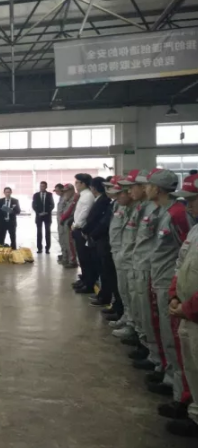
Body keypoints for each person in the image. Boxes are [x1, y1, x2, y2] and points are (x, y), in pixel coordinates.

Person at [147, 169, 192, 401]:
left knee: (174, 337)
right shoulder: (162, 211)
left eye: (149, 185)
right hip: (160, 278)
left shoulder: (177, 214)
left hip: (169, 282)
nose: (146, 189)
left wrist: (176, 287)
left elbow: (184, 253)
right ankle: (169, 376)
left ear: (158, 189)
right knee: (165, 333)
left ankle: (180, 392)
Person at [118, 170, 164, 375]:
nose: (130, 191)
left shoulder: (160, 211)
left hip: (150, 270)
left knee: (151, 316)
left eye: (134, 186)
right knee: (139, 309)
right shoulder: (140, 208)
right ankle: (147, 348)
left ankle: (158, 360)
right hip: (134, 264)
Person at [167, 173, 198, 437]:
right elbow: (181, 262)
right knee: (192, 367)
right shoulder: (196, 230)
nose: (188, 207)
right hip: (186, 311)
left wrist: (188, 308)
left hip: (193, 312)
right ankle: (195, 414)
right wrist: (174, 295)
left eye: (193, 200)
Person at [106, 180, 137, 333]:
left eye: (120, 193)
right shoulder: (123, 207)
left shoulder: (137, 209)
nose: (117, 197)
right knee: (123, 290)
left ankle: (132, 324)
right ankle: (127, 317)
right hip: (119, 252)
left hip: (130, 257)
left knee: (131, 292)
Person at [82, 177, 112, 303]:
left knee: (105, 270)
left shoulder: (104, 201)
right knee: (101, 268)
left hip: (102, 239)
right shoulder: (101, 200)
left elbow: (100, 222)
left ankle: (105, 297)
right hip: (97, 238)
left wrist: (89, 232)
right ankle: (103, 295)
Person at [71, 174, 96, 294]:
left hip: (81, 229)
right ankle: (84, 279)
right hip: (78, 227)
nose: (75, 184)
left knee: (85, 258)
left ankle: (88, 283)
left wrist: (76, 225)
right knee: (81, 257)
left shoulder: (88, 196)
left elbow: (84, 213)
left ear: (84, 184)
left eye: (77, 182)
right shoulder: (83, 195)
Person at [32, 181, 55, 254]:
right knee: (39, 232)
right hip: (39, 216)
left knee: (47, 232)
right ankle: (39, 248)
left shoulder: (49, 194)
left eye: (43, 186)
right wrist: (39, 213)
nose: (41, 187)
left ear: (46, 187)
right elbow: (33, 205)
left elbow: (52, 205)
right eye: (40, 186)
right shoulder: (36, 195)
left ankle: (47, 248)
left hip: (47, 216)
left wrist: (47, 212)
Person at [59, 184, 78, 268]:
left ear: (71, 190)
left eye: (66, 191)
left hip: (69, 222)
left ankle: (72, 261)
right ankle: (68, 258)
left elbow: (69, 211)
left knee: (70, 242)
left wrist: (62, 218)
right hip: (64, 222)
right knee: (65, 241)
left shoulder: (75, 198)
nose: (65, 193)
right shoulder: (67, 198)